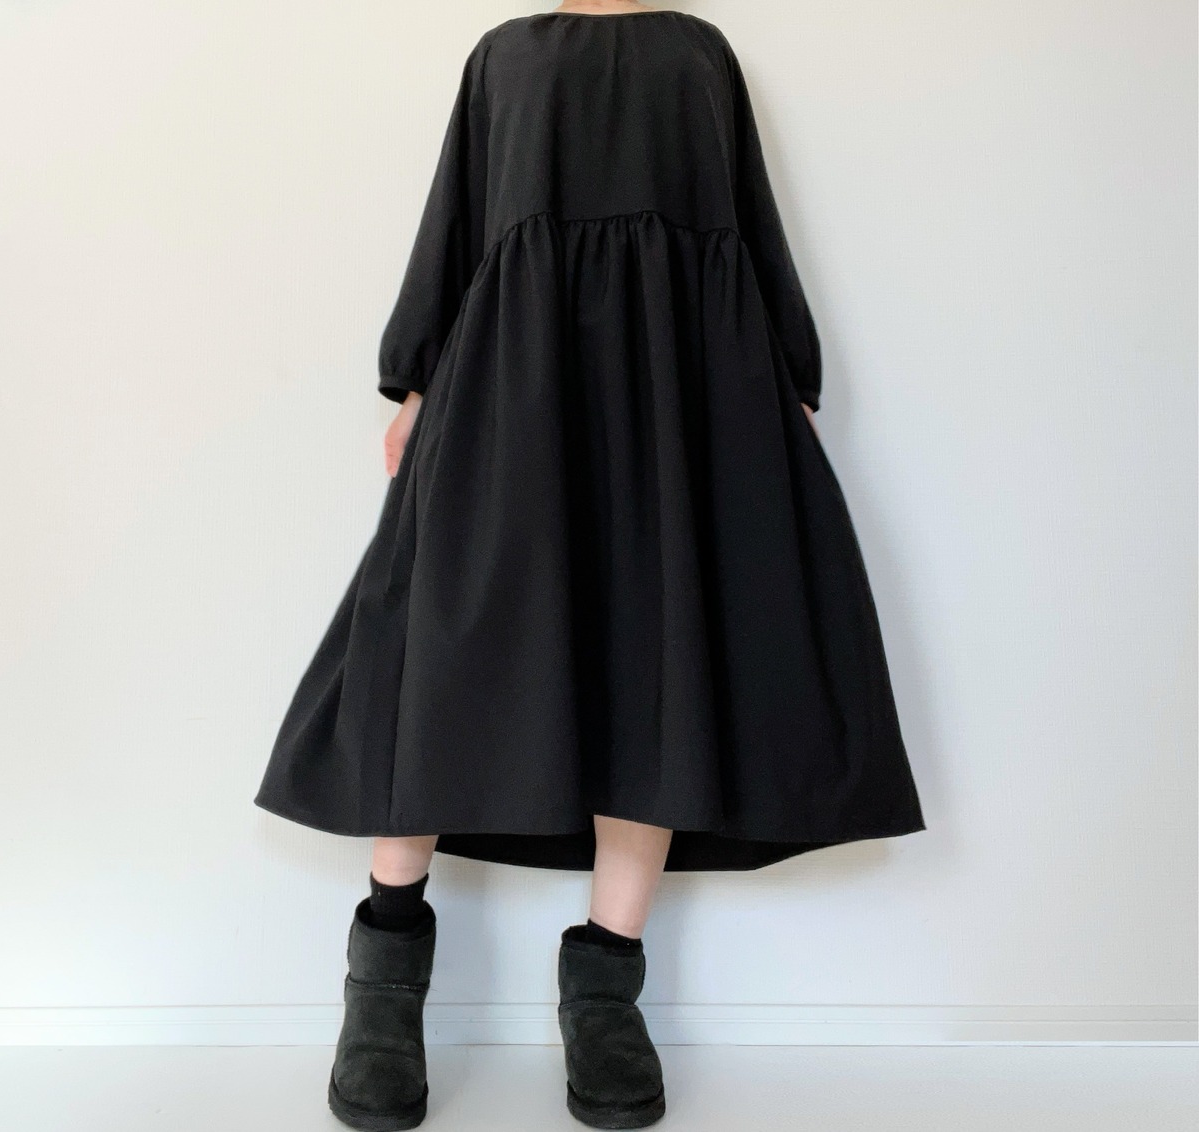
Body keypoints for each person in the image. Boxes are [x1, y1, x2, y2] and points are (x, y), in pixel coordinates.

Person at [254, 2, 928, 1128]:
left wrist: (784, 381)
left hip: (678, 406)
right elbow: (457, 220)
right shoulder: (503, 57)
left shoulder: (698, 54)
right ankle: (382, 988)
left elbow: (748, 222)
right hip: (511, 396)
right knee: (446, 663)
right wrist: (415, 381)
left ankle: (604, 992)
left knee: (655, 672)